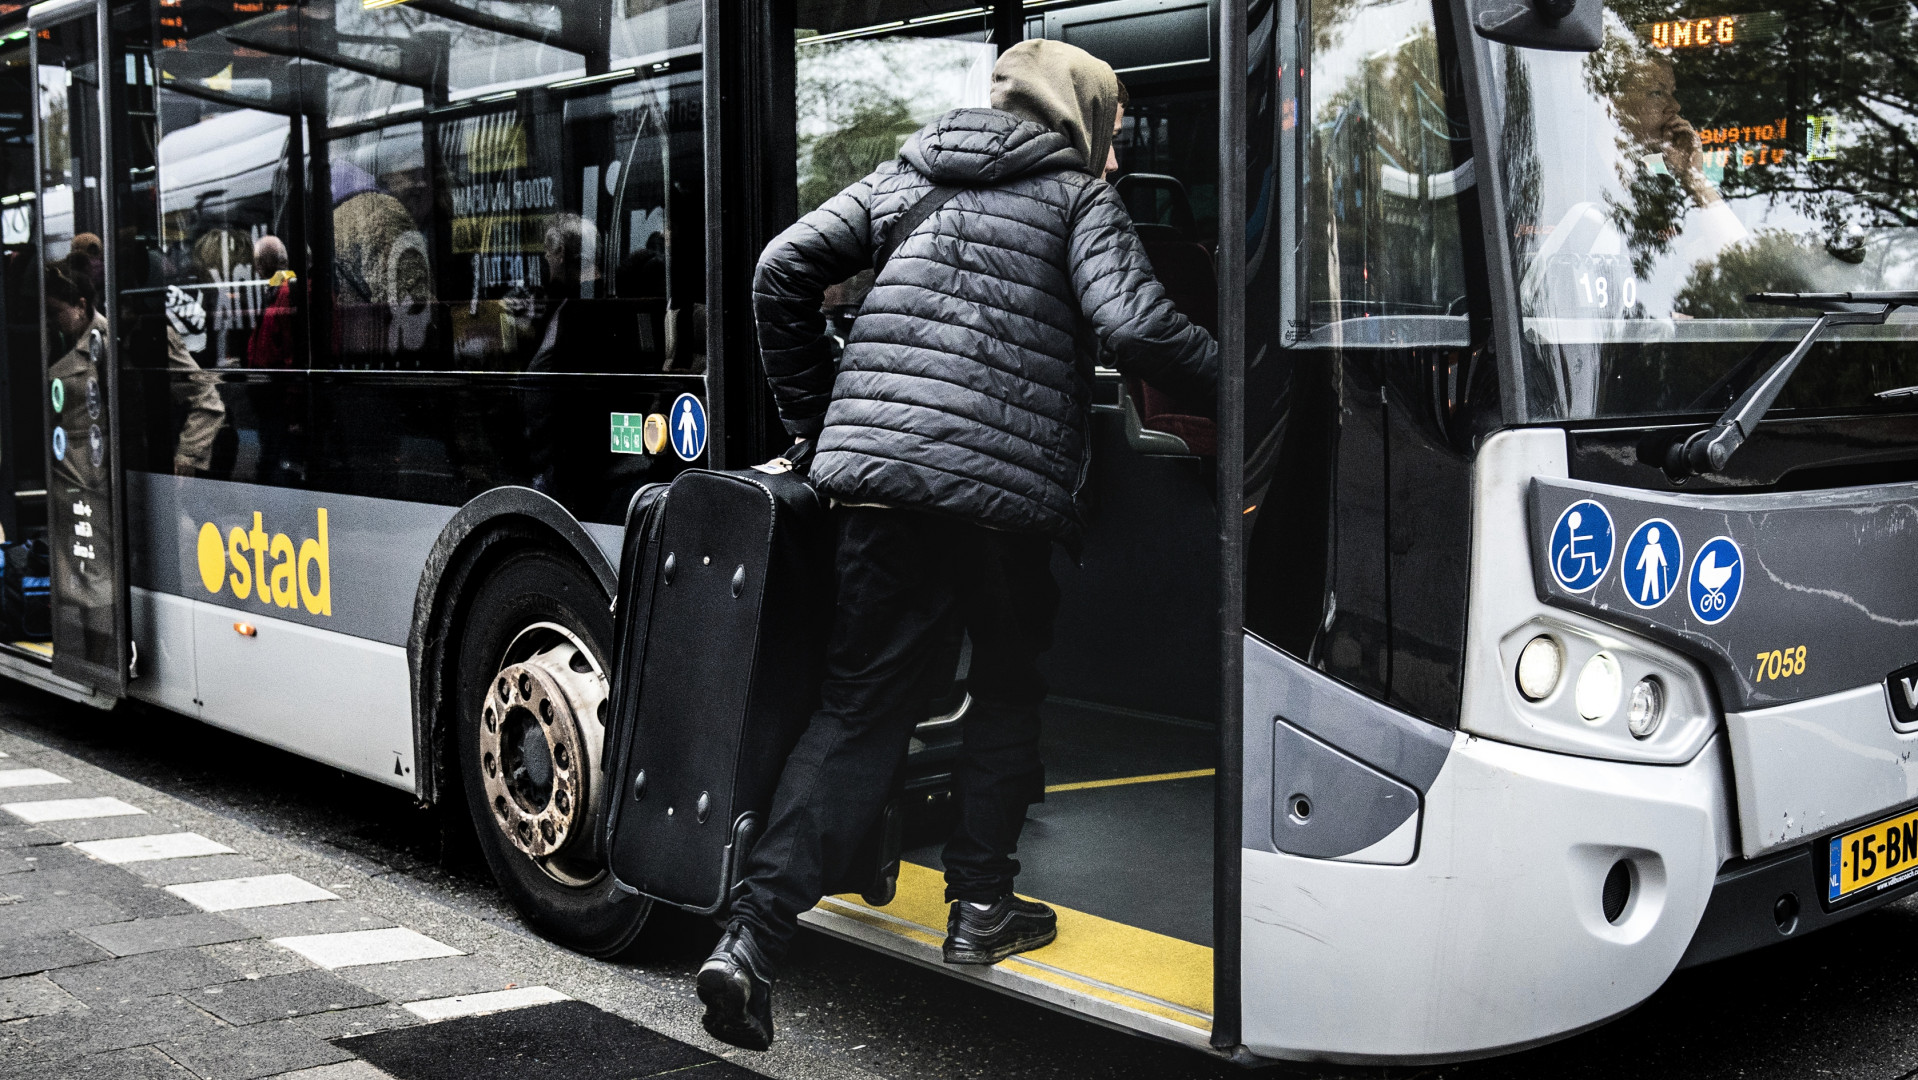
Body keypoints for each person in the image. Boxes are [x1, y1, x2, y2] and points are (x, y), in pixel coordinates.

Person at [699, 39, 1216, 1051]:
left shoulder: (908, 170)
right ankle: (981, 910)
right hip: (1004, 508)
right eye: (1109, 130)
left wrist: (822, 425)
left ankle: (751, 943)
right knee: (1009, 689)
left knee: (858, 710)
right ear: (1082, 119)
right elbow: (1136, 326)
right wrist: (1255, 382)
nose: (1113, 155)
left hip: (879, 498)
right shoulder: (1074, 199)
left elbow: (779, 270)